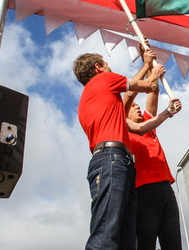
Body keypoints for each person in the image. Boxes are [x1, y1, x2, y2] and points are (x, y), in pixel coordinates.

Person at [73, 52, 180, 250]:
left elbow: (142, 120)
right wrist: (151, 67)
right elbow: (145, 87)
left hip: (119, 162)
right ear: (98, 67)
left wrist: (167, 110)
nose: (110, 67)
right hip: (111, 159)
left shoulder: (99, 101)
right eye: (107, 64)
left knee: (125, 238)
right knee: (107, 232)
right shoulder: (104, 80)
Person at [124, 45, 183, 250]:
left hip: (166, 187)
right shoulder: (125, 128)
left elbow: (153, 91)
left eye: (138, 106)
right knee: (145, 243)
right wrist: (146, 66)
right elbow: (128, 96)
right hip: (143, 191)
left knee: (174, 243)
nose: (138, 107)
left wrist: (148, 61)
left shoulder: (150, 124)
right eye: (134, 107)